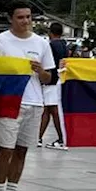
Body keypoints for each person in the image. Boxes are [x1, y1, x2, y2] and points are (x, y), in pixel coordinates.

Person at [0, 4, 54, 191]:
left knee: (22, 150)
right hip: (10, 103)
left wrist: (41, 71)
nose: (25, 21)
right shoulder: (0, 41)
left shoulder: (41, 43)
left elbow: (49, 77)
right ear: (10, 18)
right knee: (6, 149)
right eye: (20, 17)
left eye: (28, 17)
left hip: (35, 102)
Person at [38, 21, 68, 149]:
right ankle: (39, 137)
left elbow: (48, 63)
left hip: (51, 81)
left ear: (50, 33)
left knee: (52, 111)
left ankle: (61, 139)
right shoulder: (64, 46)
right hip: (60, 80)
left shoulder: (50, 46)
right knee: (49, 110)